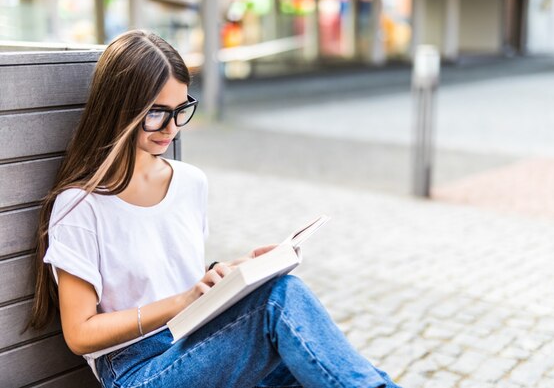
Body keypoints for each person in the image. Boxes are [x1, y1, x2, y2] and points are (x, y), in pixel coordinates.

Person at [27, 30, 401, 388]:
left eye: (181, 110)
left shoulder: (190, 183)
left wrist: (235, 273)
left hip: (196, 341)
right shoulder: (80, 206)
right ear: (120, 110)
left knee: (310, 366)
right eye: (156, 113)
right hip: (136, 369)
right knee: (279, 299)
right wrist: (183, 301)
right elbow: (80, 334)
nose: (171, 128)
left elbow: (175, 276)